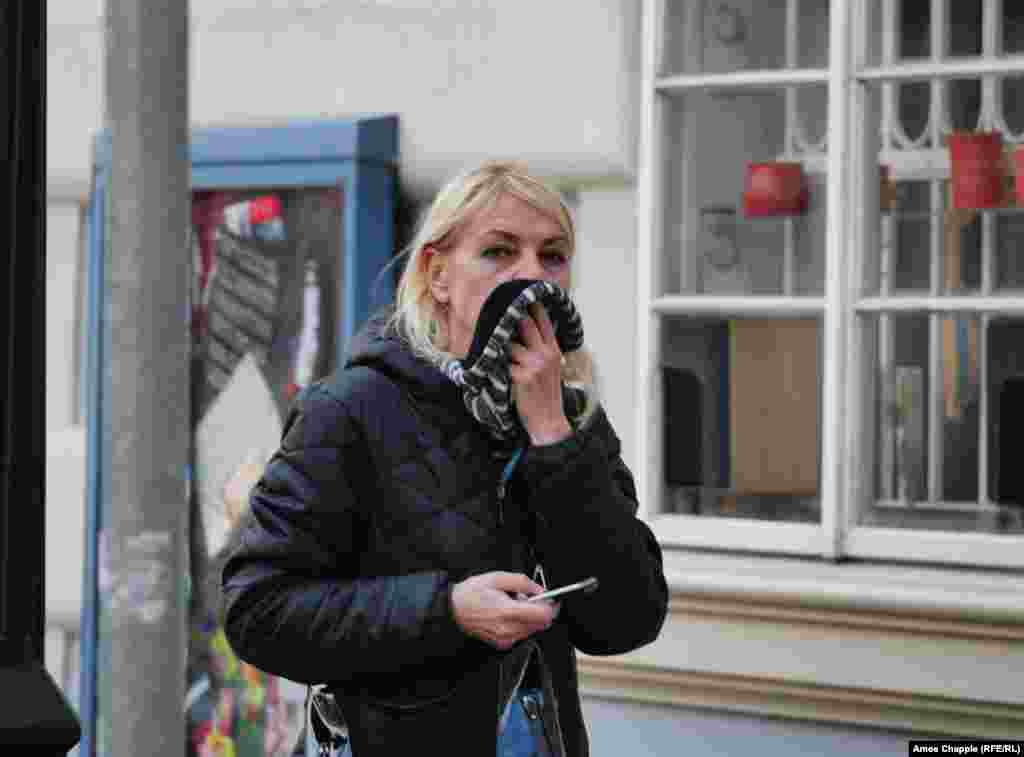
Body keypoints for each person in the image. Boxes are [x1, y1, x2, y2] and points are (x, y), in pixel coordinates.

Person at [221, 161, 669, 757]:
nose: (531, 275)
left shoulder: (571, 418)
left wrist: (553, 439)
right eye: (499, 252)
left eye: (553, 255)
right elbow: (258, 610)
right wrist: (446, 611)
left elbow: (625, 621)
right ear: (438, 276)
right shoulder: (352, 409)